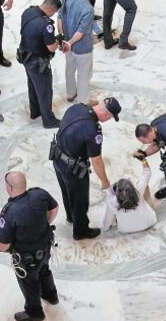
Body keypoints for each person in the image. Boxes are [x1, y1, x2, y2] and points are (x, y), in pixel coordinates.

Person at [50, 98, 122, 239]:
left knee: (66, 191)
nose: (108, 120)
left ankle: (71, 218)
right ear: (107, 115)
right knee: (79, 200)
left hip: (57, 157)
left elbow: (89, 104)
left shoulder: (77, 107)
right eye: (111, 117)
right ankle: (80, 231)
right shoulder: (93, 130)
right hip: (73, 169)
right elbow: (96, 161)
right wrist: (105, 181)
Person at [0, 171, 59, 321]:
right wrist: (45, 225)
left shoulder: (9, 212)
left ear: (10, 188)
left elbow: (3, 246)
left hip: (26, 258)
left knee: (29, 283)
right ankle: (51, 295)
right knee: (44, 270)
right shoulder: (40, 194)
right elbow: (55, 207)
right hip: (45, 247)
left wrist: (6, 249)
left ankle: (34, 312)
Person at [19, 0, 63, 128]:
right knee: (44, 91)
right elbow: (51, 47)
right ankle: (49, 120)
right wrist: (58, 41)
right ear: (50, 9)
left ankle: (35, 112)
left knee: (32, 86)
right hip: (39, 63)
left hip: (25, 56)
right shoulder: (46, 25)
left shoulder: (28, 11)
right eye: (54, 12)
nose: (53, 15)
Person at [59, 0, 97, 104]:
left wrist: (63, 39)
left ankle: (70, 94)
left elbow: (59, 17)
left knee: (69, 69)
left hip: (67, 44)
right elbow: (80, 33)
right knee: (84, 75)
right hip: (82, 48)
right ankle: (83, 102)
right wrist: (69, 42)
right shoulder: (88, 8)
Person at [102, 153, 158, 233]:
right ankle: (150, 206)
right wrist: (143, 160)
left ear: (117, 192)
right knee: (145, 185)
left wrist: (105, 229)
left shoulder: (112, 201)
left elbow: (107, 221)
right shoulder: (138, 190)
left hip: (126, 229)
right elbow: (147, 172)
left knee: (112, 213)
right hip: (149, 222)